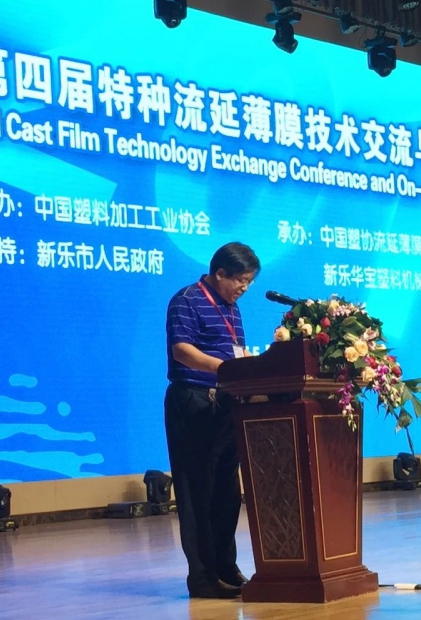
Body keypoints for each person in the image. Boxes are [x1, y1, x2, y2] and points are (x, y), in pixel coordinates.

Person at [164, 242, 261, 599]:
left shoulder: (231, 308)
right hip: (193, 401)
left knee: (226, 493)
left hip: (225, 404)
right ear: (220, 273)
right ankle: (203, 576)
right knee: (198, 493)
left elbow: (232, 350)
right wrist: (226, 368)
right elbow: (182, 350)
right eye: (240, 280)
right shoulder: (187, 300)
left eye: (249, 282)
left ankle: (225, 566)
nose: (244, 288)